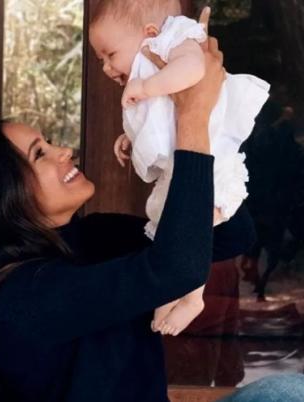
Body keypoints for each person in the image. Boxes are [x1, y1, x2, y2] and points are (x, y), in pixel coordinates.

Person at [0, 28, 247, 400]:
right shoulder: (20, 299)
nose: (63, 151)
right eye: (40, 154)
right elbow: (177, 269)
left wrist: (168, 134)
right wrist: (192, 116)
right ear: (3, 199)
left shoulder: (94, 236)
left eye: (48, 142)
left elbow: (231, 235)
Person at [88, 1, 269, 336]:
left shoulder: (176, 41)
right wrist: (130, 138)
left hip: (211, 163)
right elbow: (161, 121)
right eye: (101, 59)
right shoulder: (153, 68)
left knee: (191, 228)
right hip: (183, 164)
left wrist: (145, 87)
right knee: (167, 223)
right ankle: (174, 290)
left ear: (150, 34)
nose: (105, 68)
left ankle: (192, 296)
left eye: (110, 54)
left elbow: (193, 71)